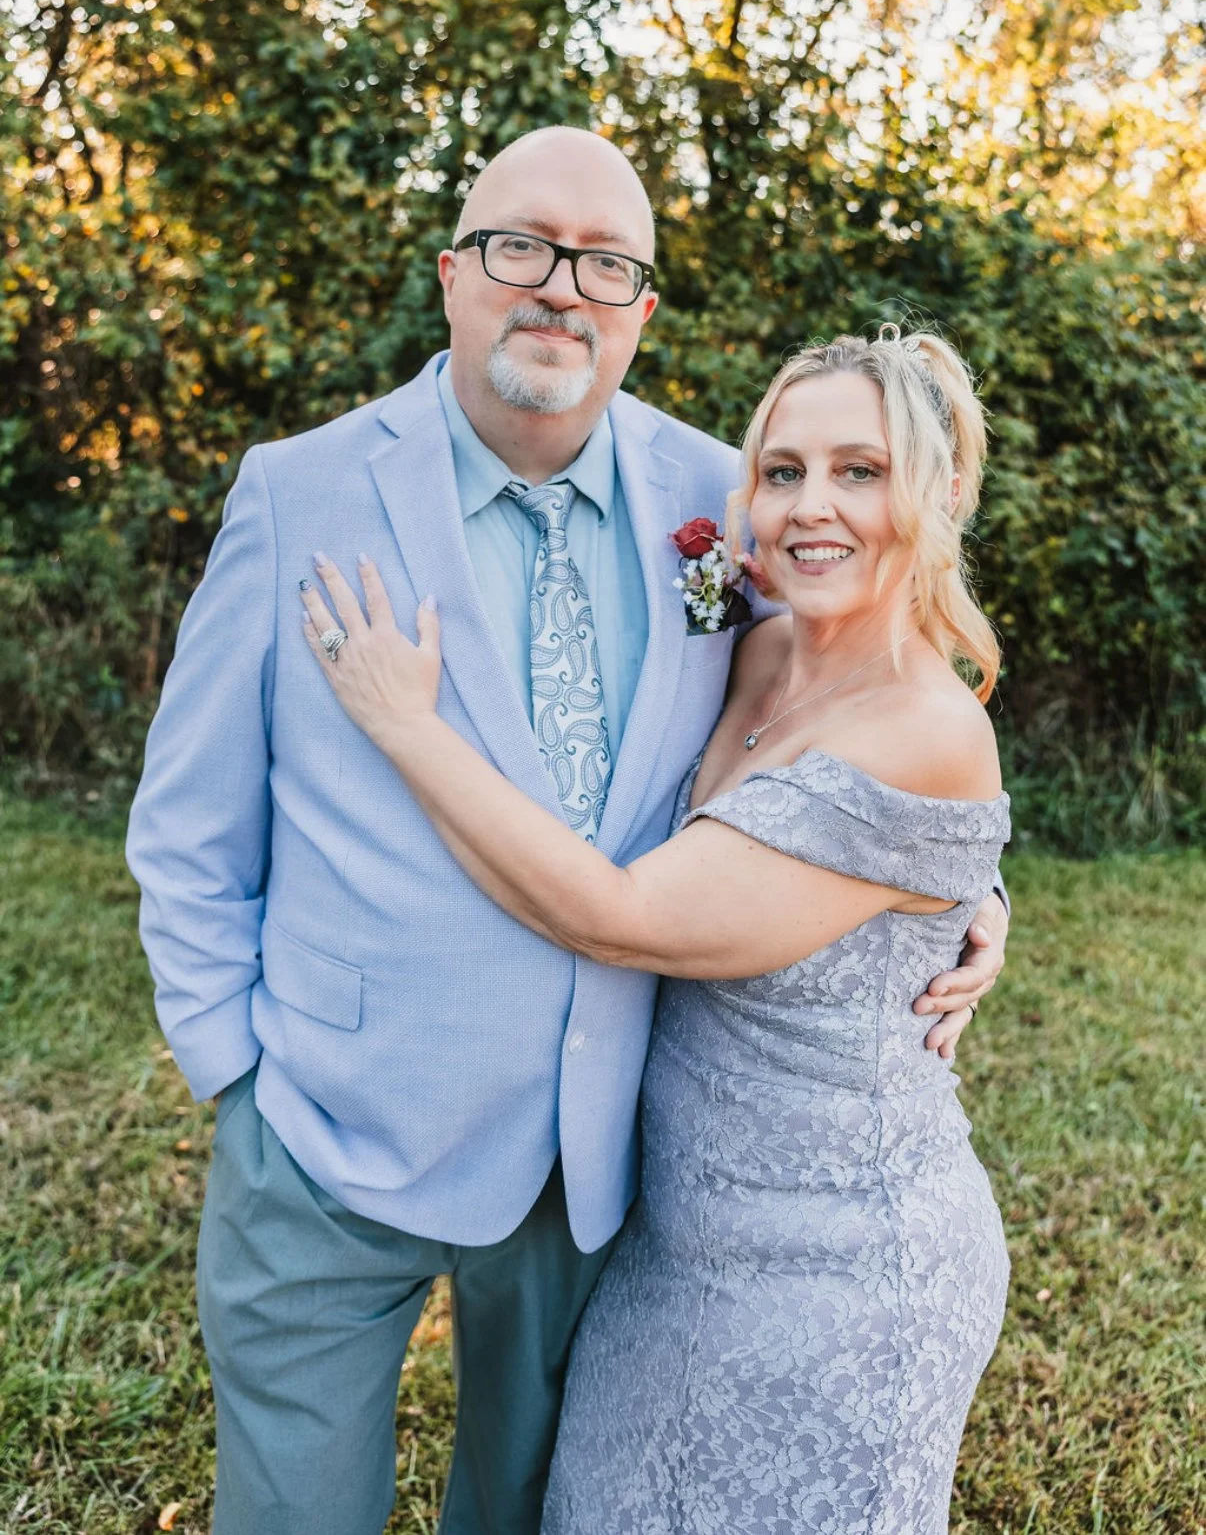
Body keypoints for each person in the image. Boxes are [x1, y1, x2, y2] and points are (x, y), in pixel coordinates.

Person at [125, 126, 1007, 1535]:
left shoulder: (716, 499)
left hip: (587, 1150)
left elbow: (862, 706)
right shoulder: (302, 491)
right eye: (519, 248)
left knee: (529, 1508)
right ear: (454, 277)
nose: (560, 290)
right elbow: (188, 823)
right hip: (328, 1122)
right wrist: (234, 1071)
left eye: (605, 264)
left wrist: (963, 888)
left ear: (641, 309)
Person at [298, 324, 1011, 1534]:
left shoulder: (927, 727)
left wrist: (410, 728)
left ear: (941, 493)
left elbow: (622, 917)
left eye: (861, 469)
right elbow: (871, 860)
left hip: (843, 1275)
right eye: (782, 471)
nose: (810, 505)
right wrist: (979, 901)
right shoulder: (758, 645)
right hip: (674, 1243)